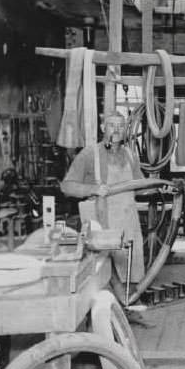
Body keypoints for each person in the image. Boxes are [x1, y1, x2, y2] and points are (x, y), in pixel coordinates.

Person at [61, 112, 144, 304]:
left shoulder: (130, 155)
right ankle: (108, 311)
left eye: (120, 126)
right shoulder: (90, 154)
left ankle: (128, 306)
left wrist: (161, 187)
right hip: (103, 221)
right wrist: (94, 189)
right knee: (104, 271)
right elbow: (67, 187)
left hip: (129, 220)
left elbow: (140, 185)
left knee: (132, 267)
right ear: (102, 128)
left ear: (125, 130)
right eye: (111, 125)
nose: (116, 130)